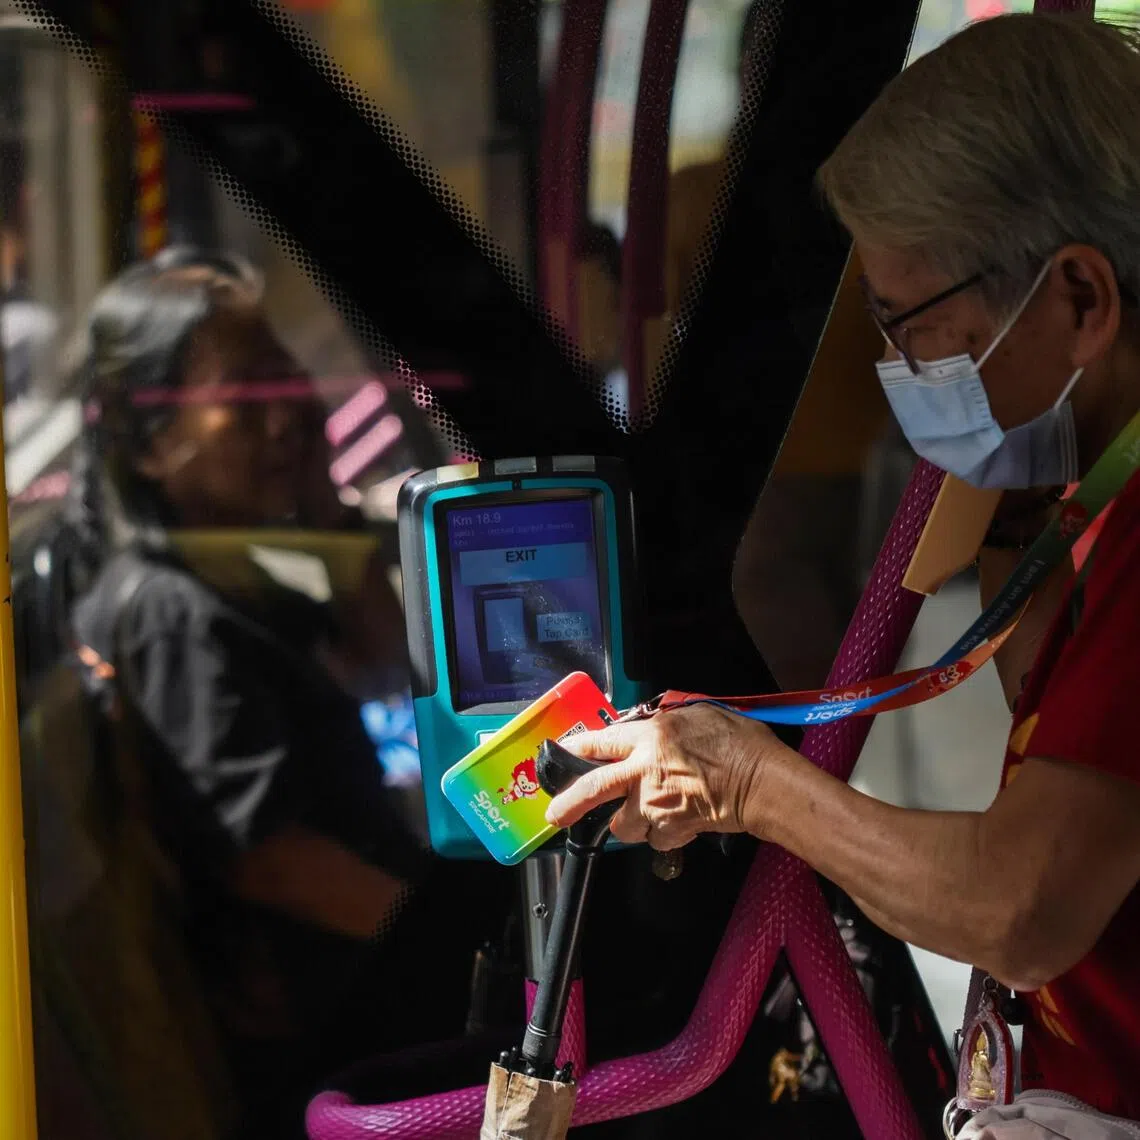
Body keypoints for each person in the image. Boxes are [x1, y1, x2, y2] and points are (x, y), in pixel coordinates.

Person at [546, 13, 1140, 1123]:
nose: (895, 374)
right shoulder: (1089, 506)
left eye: (912, 325)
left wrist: (750, 783)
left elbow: (1021, 909)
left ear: (1079, 301)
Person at [67, 248, 506, 1136]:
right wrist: (460, 956)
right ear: (153, 442)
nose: (285, 415)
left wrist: (322, 500)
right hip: (324, 1049)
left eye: (287, 381)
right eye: (247, 390)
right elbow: (271, 857)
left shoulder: (239, 573)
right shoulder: (169, 612)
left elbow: (386, 661)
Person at [667, 0, 891, 689]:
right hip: (880, 450)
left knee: (793, 664)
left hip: (765, 467)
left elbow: (660, 343)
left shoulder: (697, 196)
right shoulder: (872, 191)